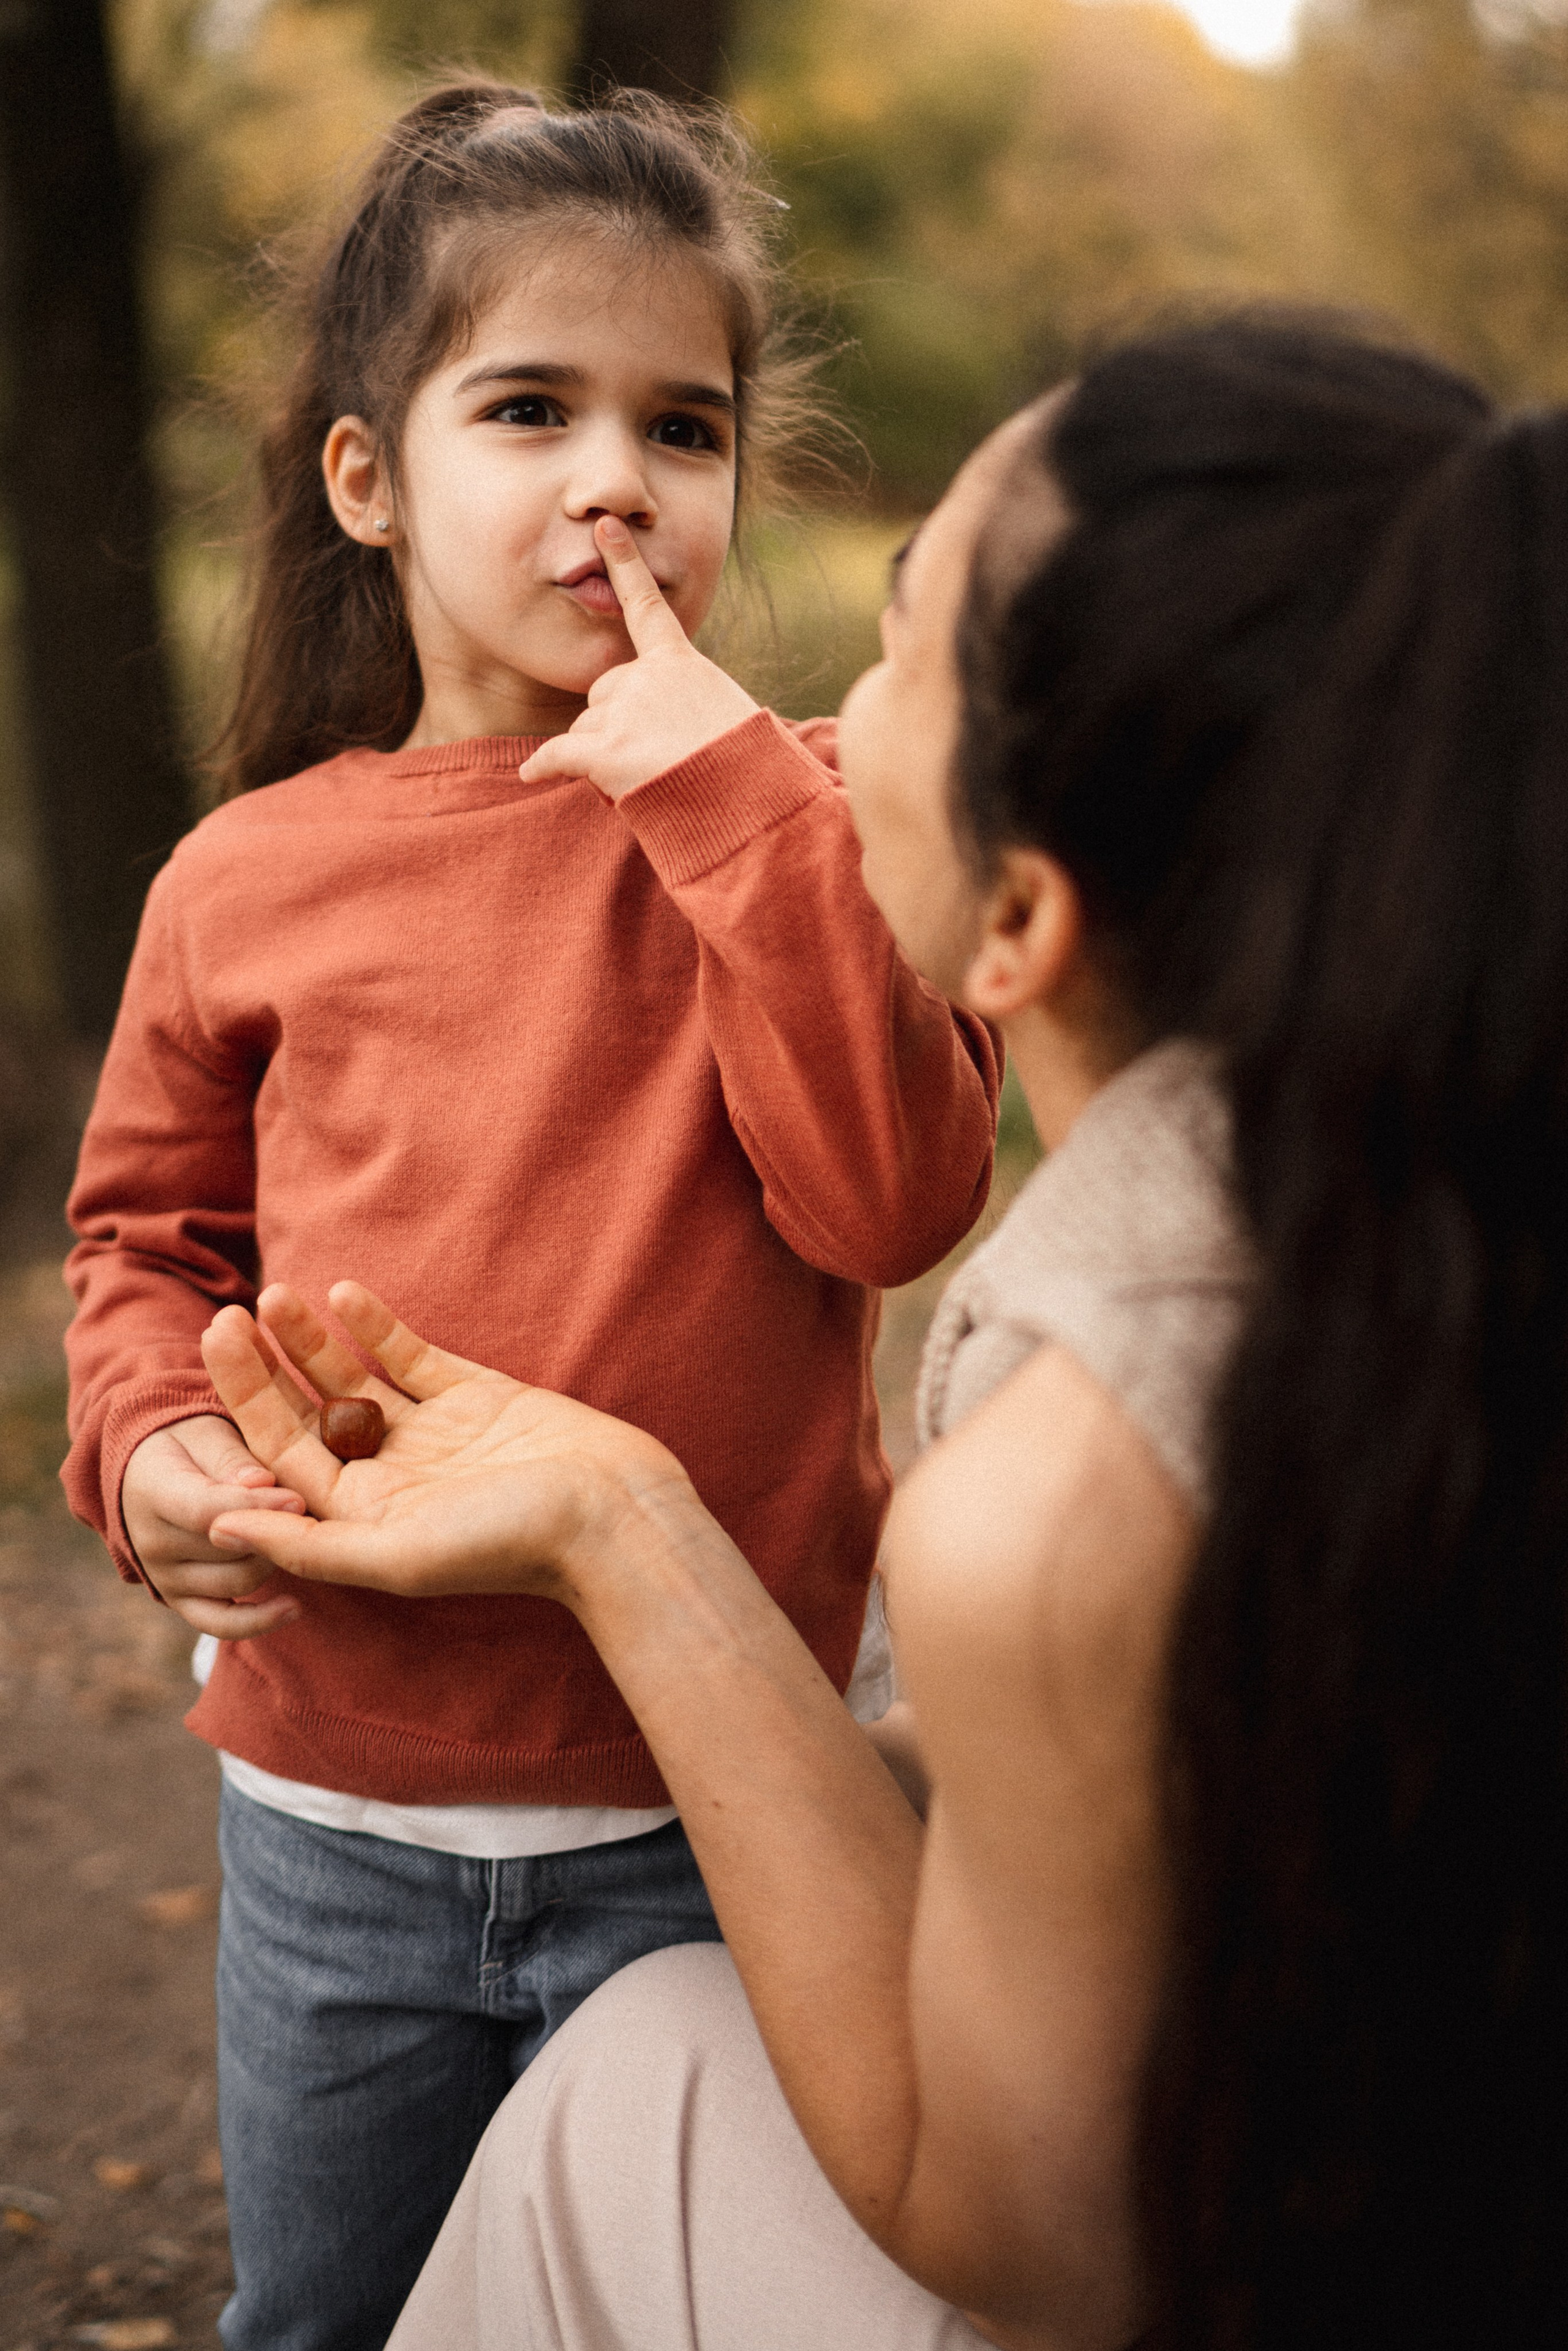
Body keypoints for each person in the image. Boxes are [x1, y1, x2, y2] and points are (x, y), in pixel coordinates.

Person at [198, 306, 1568, 2348]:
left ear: (1018, 921)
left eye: (908, 645)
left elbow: (1030, 2241)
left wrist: (621, 1528)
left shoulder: (1075, 1463)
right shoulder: (1442, 1196)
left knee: (619, 2094)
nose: (828, 707)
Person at [59, 82, 998, 2351]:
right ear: (368, 481)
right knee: (334, 2317)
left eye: (683, 426)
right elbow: (143, 1248)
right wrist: (151, 1449)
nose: (617, 481)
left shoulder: (792, 825)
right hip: (334, 1810)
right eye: (530, 408)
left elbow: (892, 1195)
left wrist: (726, 792)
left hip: (706, 1819)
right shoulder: (247, 877)